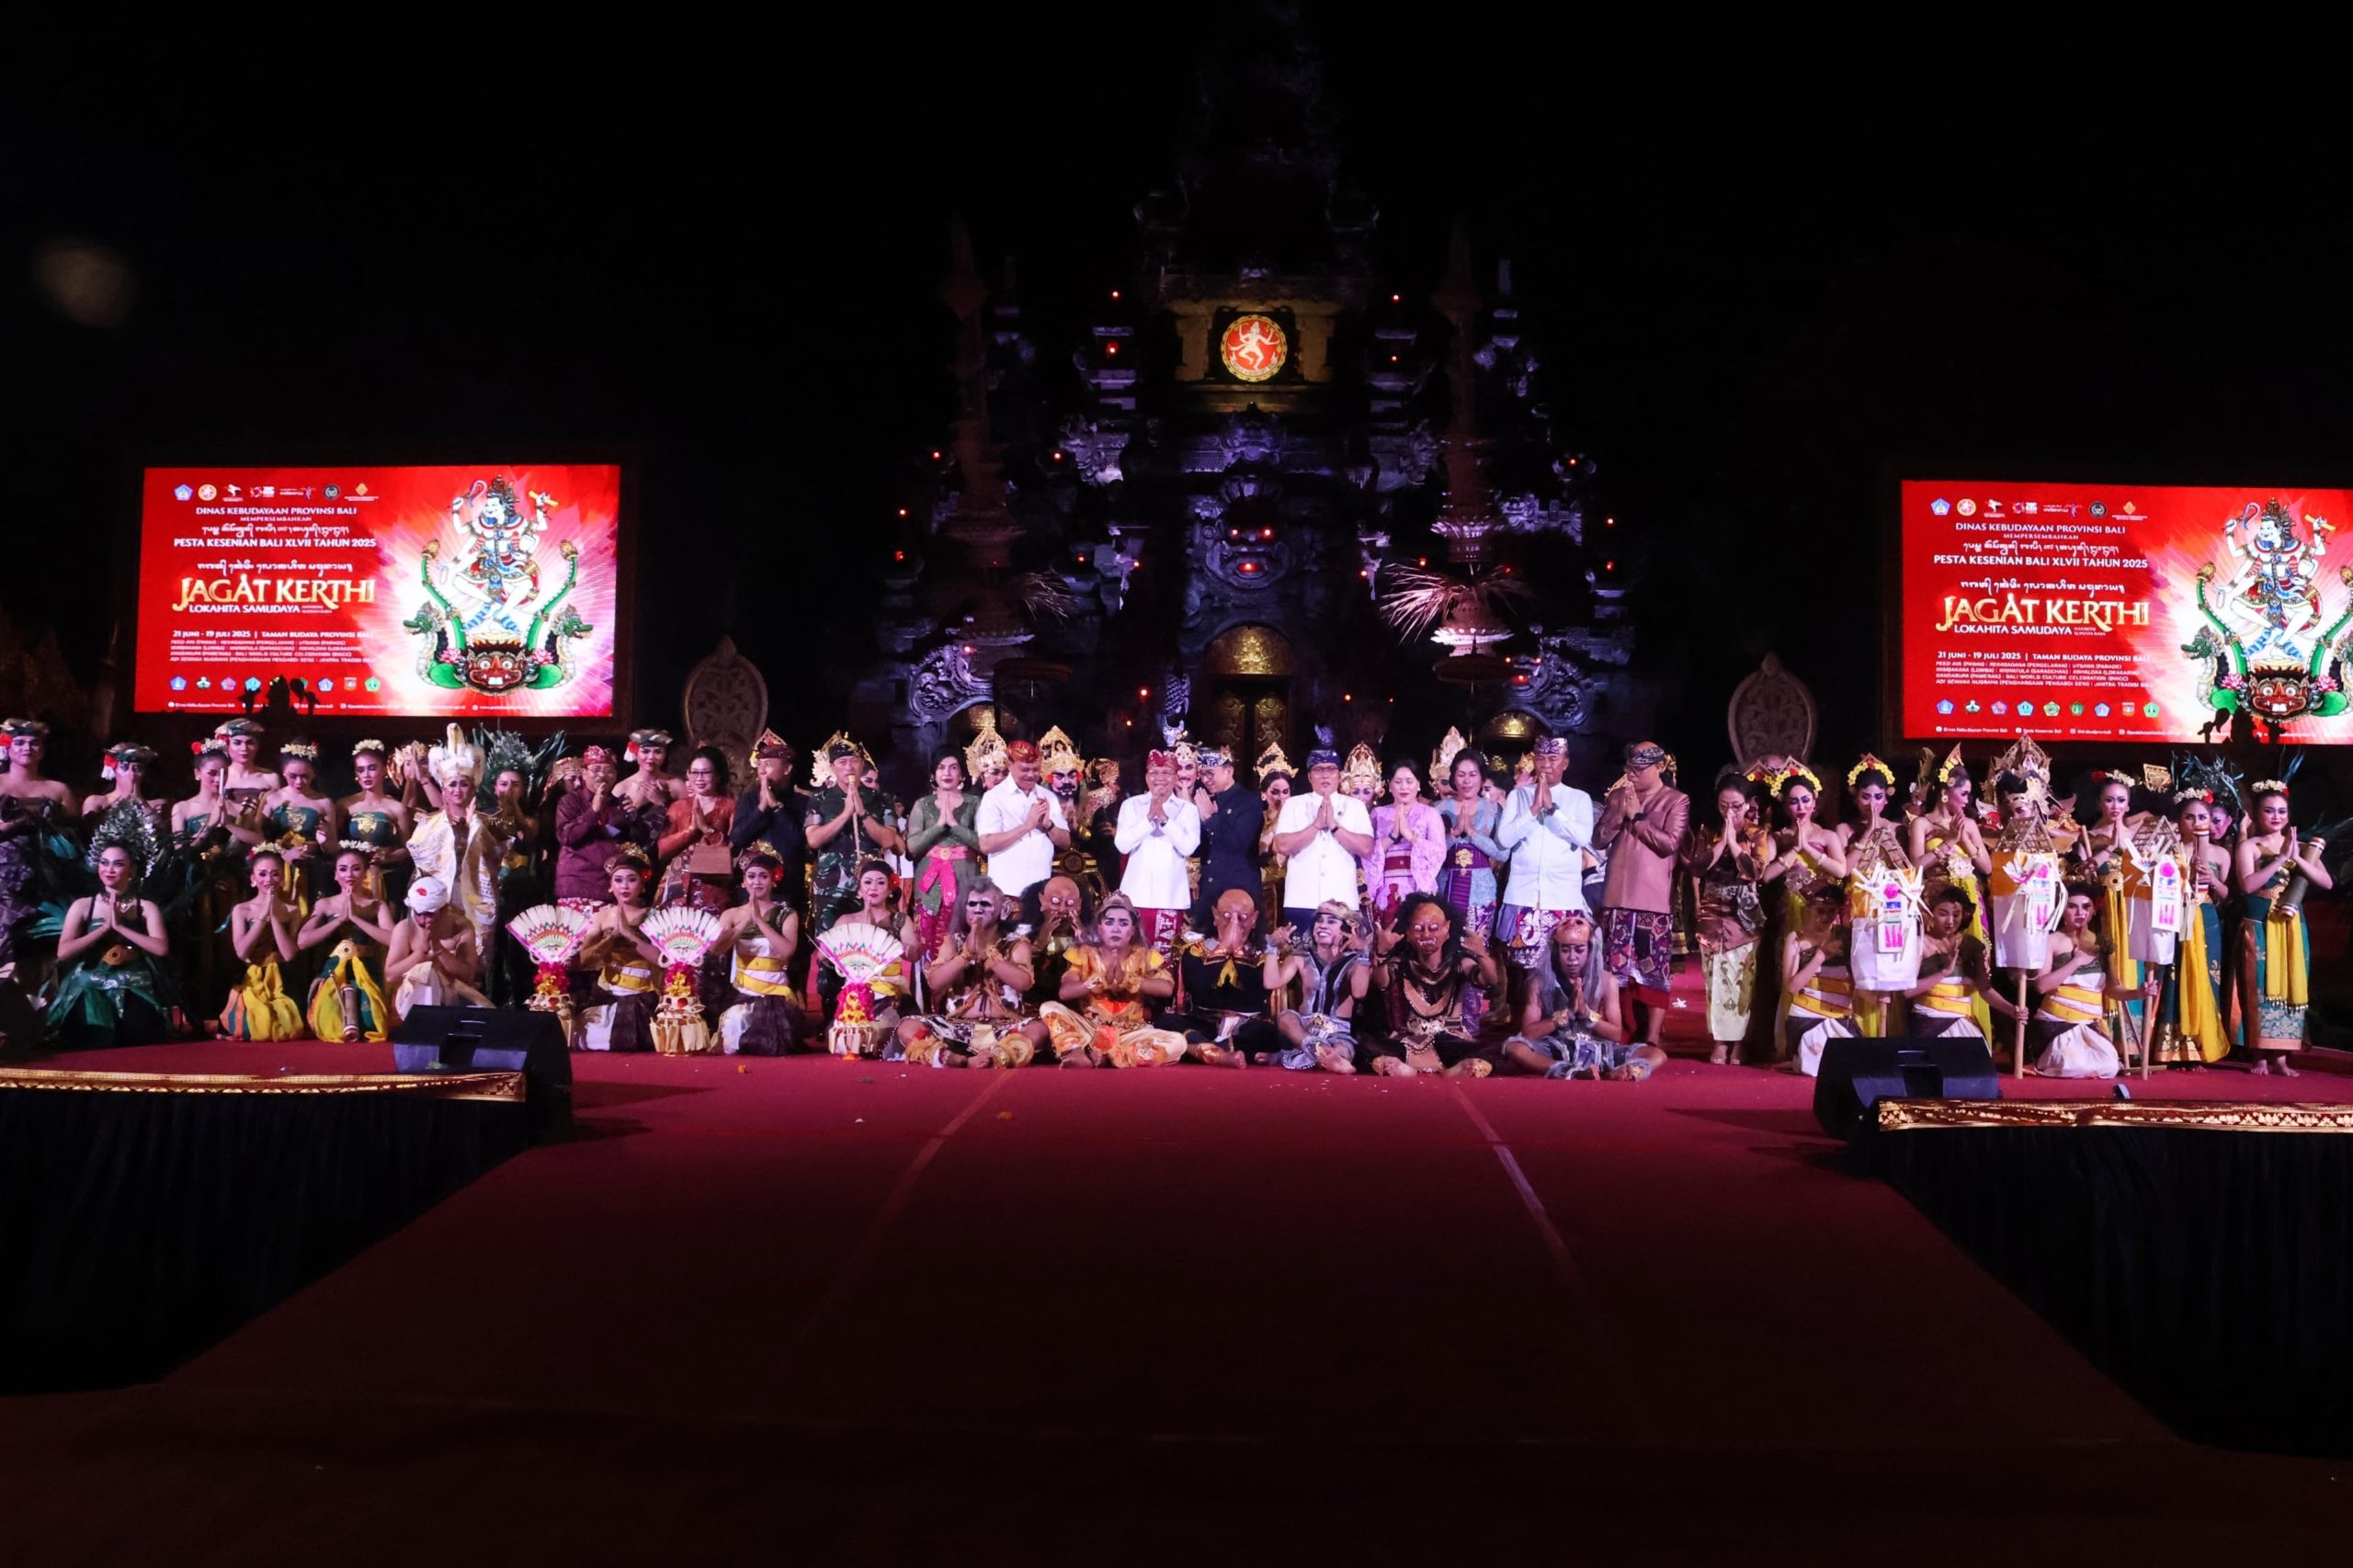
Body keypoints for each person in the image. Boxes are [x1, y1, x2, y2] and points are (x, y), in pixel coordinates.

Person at [1594, 742, 1689, 1055]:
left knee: (1653, 970)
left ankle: (1651, 1037)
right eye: (1629, 768)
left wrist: (1637, 818)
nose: (1632, 774)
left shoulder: (1676, 800)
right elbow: (1598, 839)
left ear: (1660, 767)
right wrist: (1617, 813)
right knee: (1614, 970)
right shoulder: (1618, 796)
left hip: (1652, 899)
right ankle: (1617, 1030)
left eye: (1639, 769)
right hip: (1616, 897)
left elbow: (1669, 844)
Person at [2234, 780, 2332, 1075]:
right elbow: (2247, 885)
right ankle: (2259, 1055)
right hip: (2261, 922)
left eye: (2281, 811)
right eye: (2269, 811)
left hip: (2291, 924)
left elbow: (2327, 883)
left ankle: (2281, 1057)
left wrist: (2297, 857)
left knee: (2290, 983)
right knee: (2260, 986)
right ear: (2256, 813)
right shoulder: (2249, 846)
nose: (2276, 816)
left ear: (2288, 815)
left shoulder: (2301, 847)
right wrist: (2280, 859)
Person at [46, 832, 174, 1051]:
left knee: (137, 1035)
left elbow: (161, 948)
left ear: (132, 870)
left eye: (118, 864)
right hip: (91, 982)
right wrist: (104, 929)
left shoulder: (145, 907)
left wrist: (121, 927)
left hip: (132, 982)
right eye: (104, 863)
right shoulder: (83, 905)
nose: (109, 870)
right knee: (93, 1037)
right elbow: (63, 952)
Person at [1031, 892, 1186, 1068]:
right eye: (1109, 922)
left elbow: (1166, 988)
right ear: (1100, 928)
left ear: (1133, 930)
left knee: (1178, 1042)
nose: (1116, 929)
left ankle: (1115, 1056)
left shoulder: (1146, 956)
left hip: (1130, 1032)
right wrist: (1098, 980)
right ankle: (1076, 1052)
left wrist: (1128, 980)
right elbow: (1065, 992)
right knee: (1049, 1007)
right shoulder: (1084, 954)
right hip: (1091, 1028)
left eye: (1123, 923)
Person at [897, 875, 1038, 1068]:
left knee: (1038, 1029)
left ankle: (998, 1056)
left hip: (1005, 1028)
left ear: (1002, 910)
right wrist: (964, 956)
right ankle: (950, 1057)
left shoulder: (1016, 944)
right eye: (972, 904)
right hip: (956, 1030)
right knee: (908, 1026)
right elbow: (935, 984)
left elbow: (1023, 983)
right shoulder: (953, 942)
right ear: (964, 910)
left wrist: (988, 955)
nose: (978, 909)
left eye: (985, 904)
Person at [1504, 912, 1661, 1081]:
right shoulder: (1539, 981)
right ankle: (1570, 1071)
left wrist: (1586, 1013)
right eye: (1565, 950)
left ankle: (1629, 1072)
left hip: (1598, 1048)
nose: (1572, 958)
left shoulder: (1607, 981)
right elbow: (1528, 1033)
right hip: (1555, 1047)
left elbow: (1615, 1034)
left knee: (1655, 1054)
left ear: (1591, 949)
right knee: (1515, 1048)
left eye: (1579, 950)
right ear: (1555, 950)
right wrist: (1564, 1015)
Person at [1365, 891, 1503, 1077]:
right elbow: (1381, 982)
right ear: (1408, 932)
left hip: (1451, 1041)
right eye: (1418, 928)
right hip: (1410, 1039)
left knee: (1489, 1056)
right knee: (1369, 1051)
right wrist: (1380, 953)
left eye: (1434, 927)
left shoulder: (1460, 962)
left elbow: (1490, 979)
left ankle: (1444, 1068)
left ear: (1447, 929)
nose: (1426, 934)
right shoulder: (1402, 963)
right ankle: (1414, 1069)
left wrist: (1482, 954)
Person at [1681, 768, 1767, 1064]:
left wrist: (1734, 845)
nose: (1730, 812)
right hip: (1712, 914)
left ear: (1748, 804)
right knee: (1716, 981)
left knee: (1743, 982)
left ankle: (1739, 1042)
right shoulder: (1707, 831)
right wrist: (1722, 843)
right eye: (1724, 806)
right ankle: (1719, 1041)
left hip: (1744, 917)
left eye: (1736, 806)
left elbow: (1756, 871)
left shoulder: (1757, 834)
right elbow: (1696, 867)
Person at [404, 724, 505, 965]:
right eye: (452, 784)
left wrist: (474, 829)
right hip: (440, 895)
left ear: (473, 786)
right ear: (444, 789)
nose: (458, 790)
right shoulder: (429, 823)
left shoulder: (488, 822)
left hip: (475, 894)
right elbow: (421, 858)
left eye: (463, 783)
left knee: (472, 958)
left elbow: (496, 856)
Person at [1495, 734, 1596, 970]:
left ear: (1565, 763)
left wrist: (1552, 809)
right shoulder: (1518, 796)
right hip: (1522, 897)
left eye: (1553, 759)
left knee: (1562, 971)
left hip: (1563, 898)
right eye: (1540, 759)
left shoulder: (1578, 798)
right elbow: (1504, 839)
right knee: (1519, 972)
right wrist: (1533, 810)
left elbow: (1582, 838)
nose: (1546, 765)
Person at [2151, 789, 2232, 1065]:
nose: (2197, 822)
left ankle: (2200, 1046)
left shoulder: (2220, 854)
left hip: (2205, 916)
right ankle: (2170, 1047)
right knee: (2173, 975)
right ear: (2179, 820)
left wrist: (2212, 879)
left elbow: (2226, 895)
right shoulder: (2166, 851)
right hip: (2173, 915)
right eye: (2189, 817)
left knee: (2206, 976)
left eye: (2203, 817)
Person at [1270, 732, 1373, 930]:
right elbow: (1281, 845)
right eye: (1318, 770)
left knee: (1342, 949)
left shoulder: (1355, 806)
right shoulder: (1293, 804)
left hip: (1343, 902)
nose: (1325, 775)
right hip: (1301, 900)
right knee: (1299, 950)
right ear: (1309, 776)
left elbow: (1367, 848)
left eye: (1331, 769)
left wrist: (1334, 826)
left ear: (1340, 775)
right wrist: (1316, 825)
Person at [2028, 884, 2130, 1079]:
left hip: (2090, 1023)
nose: (2080, 912)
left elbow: (2113, 989)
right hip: (2058, 1022)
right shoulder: (2052, 940)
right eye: (2072, 906)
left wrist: (2140, 993)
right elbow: (2041, 986)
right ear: (2062, 909)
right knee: (2071, 1063)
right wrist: (2076, 962)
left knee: (2109, 1066)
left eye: (2086, 906)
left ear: (2094, 910)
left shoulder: (2102, 943)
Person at [0, 718, 79, 965]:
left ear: (42, 751)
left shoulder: (58, 789)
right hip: (3, 873)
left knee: (36, 944)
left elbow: (73, 836)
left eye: (34, 743)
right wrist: (14, 825)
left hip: (44, 874)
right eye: (20, 742)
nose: (27, 748)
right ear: (7, 747)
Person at [806, 732, 905, 926]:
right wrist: (845, 814)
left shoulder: (880, 799)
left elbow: (888, 840)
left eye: (854, 761)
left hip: (871, 887)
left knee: (870, 939)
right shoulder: (820, 799)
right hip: (830, 886)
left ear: (862, 764)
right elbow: (814, 840)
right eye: (842, 762)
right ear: (832, 767)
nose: (849, 767)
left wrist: (862, 812)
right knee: (831, 941)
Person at [713, 843, 803, 1056]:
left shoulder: (786, 914)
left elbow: (787, 951)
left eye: (763, 876)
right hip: (743, 991)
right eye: (751, 877)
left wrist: (760, 922)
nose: (757, 882)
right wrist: (745, 922)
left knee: (771, 1040)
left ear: (773, 881)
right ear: (743, 882)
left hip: (775, 992)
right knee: (735, 1024)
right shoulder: (731, 914)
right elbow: (716, 949)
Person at [298, 846, 396, 1041]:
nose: (349, 875)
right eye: (343, 869)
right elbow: (302, 941)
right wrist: (339, 920)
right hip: (334, 970)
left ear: (365, 873)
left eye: (356, 869)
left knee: (370, 1023)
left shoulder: (376, 905)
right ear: (335, 875)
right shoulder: (325, 904)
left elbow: (393, 939)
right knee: (332, 1023)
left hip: (366, 971)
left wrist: (356, 918)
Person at [1174, 887, 1280, 1066]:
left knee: (1268, 1033)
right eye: (1227, 916)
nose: (1234, 924)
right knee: (1168, 1022)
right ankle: (1223, 1054)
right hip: (1205, 1023)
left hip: (1245, 1027)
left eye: (1242, 918)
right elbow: (1199, 988)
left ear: (1254, 919)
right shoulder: (1195, 948)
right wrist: (1223, 948)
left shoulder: (1263, 953)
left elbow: (1256, 995)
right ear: (1215, 915)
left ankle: (1206, 1051)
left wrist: (1238, 950)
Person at [568, 850, 661, 1051]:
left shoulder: (654, 916)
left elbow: (662, 960)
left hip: (642, 992)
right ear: (610, 886)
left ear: (642, 885)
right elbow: (581, 961)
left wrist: (629, 935)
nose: (624, 886)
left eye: (631, 880)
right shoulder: (601, 917)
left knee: (630, 1038)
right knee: (584, 1037)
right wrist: (609, 940)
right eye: (618, 880)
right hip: (608, 992)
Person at [1261, 899, 1368, 1073]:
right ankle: (1321, 1053)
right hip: (1302, 1032)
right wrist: (1272, 948)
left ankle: (1300, 1057)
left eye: (1331, 921)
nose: (1322, 925)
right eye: (1319, 920)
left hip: (1338, 1034)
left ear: (1345, 930)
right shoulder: (1300, 957)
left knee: (1343, 1050)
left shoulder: (1355, 962)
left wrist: (1364, 954)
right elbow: (1271, 982)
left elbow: (1359, 992)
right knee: (1286, 1018)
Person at [817, 858, 910, 1051]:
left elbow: (914, 952)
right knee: (845, 1039)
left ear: (890, 889)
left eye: (880, 882)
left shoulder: (899, 920)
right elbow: (822, 955)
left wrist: (902, 946)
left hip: (888, 995)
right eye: (867, 882)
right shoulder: (846, 921)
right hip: (854, 997)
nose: (873, 887)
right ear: (859, 891)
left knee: (873, 1035)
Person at [1113, 747, 1200, 954]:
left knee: (1164, 959)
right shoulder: (1131, 805)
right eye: (1154, 772)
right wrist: (1148, 819)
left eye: (1166, 772)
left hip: (1170, 898)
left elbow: (1188, 846)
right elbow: (1122, 845)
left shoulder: (1187, 810)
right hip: (1135, 897)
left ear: (1175, 777)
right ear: (1146, 776)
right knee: (1132, 955)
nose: (1160, 778)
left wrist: (1164, 819)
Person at [220, 850, 306, 1040]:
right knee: (258, 1027)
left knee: (290, 1030)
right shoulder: (242, 909)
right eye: (262, 874)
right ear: (253, 879)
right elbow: (241, 952)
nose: (269, 879)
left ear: (282, 878)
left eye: (275, 874)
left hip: (282, 977)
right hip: (253, 976)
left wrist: (273, 916)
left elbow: (289, 954)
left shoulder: (292, 910)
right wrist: (262, 917)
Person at [904, 752, 982, 963]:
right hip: (929, 884)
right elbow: (912, 846)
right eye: (941, 767)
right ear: (933, 774)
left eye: (953, 767)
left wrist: (955, 826)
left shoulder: (975, 803)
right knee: (927, 939)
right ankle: (929, 983)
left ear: (962, 774)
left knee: (963, 937)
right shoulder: (922, 804)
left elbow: (983, 844)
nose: (947, 773)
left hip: (965, 879)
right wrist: (939, 825)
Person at [974, 737, 1067, 902]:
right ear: (1009, 765)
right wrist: (1027, 826)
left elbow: (1065, 842)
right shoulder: (994, 797)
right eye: (1025, 769)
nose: (1031, 775)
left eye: (1036, 769)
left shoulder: (1048, 796)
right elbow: (986, 845)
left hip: (1041, 890)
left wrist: (1048, 825)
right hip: (1006, 890)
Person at [1434, 739, 1506, 940]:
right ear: (1453, 778)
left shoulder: (1494, 809)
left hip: (1481, 890)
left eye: (1473, 775)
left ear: (1482, 778)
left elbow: (1503, 853)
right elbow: (1429, 853)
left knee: (1477, 946)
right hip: (1446, 885)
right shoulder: (1438, 809)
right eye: (1461, 775)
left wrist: (1473, 834)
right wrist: (1455, 834)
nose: (1467, 781)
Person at [1780, 885, 1856, 1076]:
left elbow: (1857, 980)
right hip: (1807, 1018)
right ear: (1808, 908)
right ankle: (1797, 1056)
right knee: (1819, 1065)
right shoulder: (1796, 938)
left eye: (1831, 911)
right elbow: (1792, 987)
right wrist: (1819, 957)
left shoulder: (1846, 937)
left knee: (1851, 1066)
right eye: (1820, 911)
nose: (1825, 917)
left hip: (1840, 1017)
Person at [730, 736, 809, 909]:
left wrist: (775, 807)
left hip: (787, 887)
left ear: (787, 769)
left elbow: (798, 841)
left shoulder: (802, 802)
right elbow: (737, 837)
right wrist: (761, 808)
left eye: (768, 765)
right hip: (750, 888)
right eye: (760, 765)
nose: (762, 771)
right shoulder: (749, 800)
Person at [1190, 745, 1264, 929]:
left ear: (1229, 771)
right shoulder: (1208, 800)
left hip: (1238, 893)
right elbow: (1197, 849)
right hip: (1209, 891)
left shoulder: (1248, 801)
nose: (1205, 780)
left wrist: (1211, 819)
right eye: (1202, 774)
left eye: (1210, 773)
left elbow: (1239, 843)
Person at [656, 745, 736, 910]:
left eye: (706, 773)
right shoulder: (678, 806)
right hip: (678, 884)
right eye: (695, 772)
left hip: (713, 885)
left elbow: (733, 849)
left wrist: (707, 829)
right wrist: (691, 830)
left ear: (718, 775)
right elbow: (662, 850)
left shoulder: (730, 806)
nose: (699, 778)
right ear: (688, 774)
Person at [1903, 887, 1989, 1040]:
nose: (1950, 921)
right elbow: (1907, 991)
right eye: (1943, 914)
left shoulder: (1971, 945)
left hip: (1964, 1023)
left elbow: (1985, 990)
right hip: (1929, 1024)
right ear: (1930, 913)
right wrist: (1943, 973)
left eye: (1956, 915)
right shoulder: (1919, 943)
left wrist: (2012, 1010)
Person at [263, 740, 338, 914]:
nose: (298, 782)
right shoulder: (273, 798)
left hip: (312, 869)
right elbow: (259, 838)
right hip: (276, 869)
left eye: (305, 776)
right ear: (283, 772)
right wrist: (283, 853)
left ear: (314, 774)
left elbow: (333, 848)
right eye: (293, 776)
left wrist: (324, 842)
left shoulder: (324, 802)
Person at [1363, 761, 1445, 921]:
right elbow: (1367, 853)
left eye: (1409, 781)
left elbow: (1438, 853)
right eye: (1398, 782)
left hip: (1418, 885)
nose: (1404, 787)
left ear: (1418, 785)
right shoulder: (1378, 814)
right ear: (1390, 786)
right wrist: (1393, 836)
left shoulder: (1430, 813)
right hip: (1387, 886)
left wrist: (1409, 835)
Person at [339, 739, 414, 902]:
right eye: (361, 770)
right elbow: (334, 845)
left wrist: (388, 856)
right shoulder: (345, 805)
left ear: (384, 770)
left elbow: (407, 848)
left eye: (372, 768)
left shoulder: (396, 808)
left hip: (385, 877)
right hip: (351, 879)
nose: (366, 775)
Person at [1255, 742, 1295, 924]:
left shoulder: (1298, 819)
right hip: (1265, 888)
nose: (1281, 798)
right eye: (1275, 792)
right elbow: (1260, 850)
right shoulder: (1257, 819)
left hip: (1293, 885)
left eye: (1286, 792)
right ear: (1263, 793)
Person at [83, 742, 167, 824]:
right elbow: (89, 829)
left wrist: (139, 799)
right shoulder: (96, 802)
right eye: (124, 767)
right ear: (114, 770)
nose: (131, 773)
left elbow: (158, 831)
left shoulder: (156, 805)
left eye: (137, 768)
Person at [214, 717, 279, 805]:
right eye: (237, 743)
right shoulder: (220, 777)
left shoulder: (270, 778)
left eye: (250, 743)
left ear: (257, 746)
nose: (244, 748)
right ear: (226, 746)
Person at [615, 727, 676, 812]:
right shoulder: (622, 788)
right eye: (645, 751)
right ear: (636, 753)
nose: (651, 757)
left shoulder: (676, 785)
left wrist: (663, 802)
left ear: (665, 754)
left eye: (658, 752)